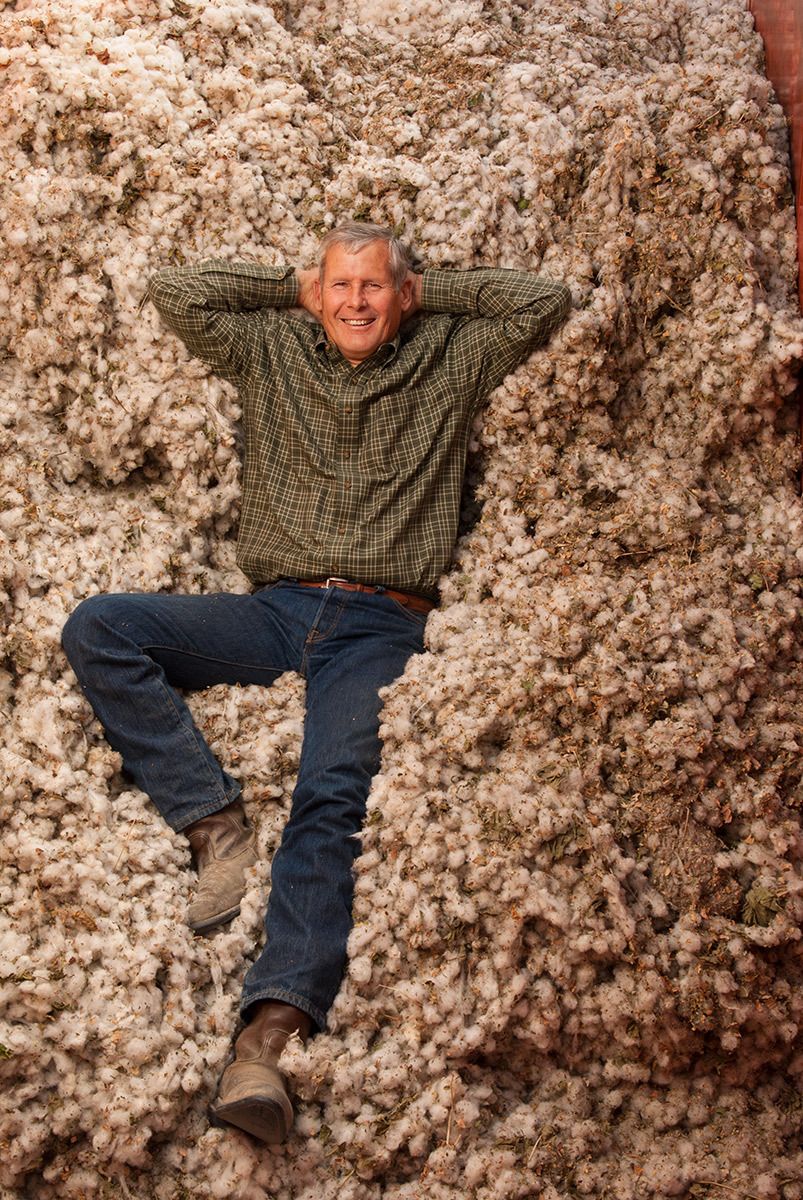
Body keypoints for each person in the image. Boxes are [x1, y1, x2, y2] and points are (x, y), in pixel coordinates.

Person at [61, 221, 571, 1144]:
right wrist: (296, 289)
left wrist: (420, 294)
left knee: (330, 791)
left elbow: (540, 302)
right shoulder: (273, 343)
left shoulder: (449, 358)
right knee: (100, 627)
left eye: (373, 288)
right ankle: (214, 822)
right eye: (339, 286)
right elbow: (178, 289)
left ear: (403, 295)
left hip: (380, 624)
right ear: (313, 289)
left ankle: (268, 1033)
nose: (354, 303)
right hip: (275, 611)